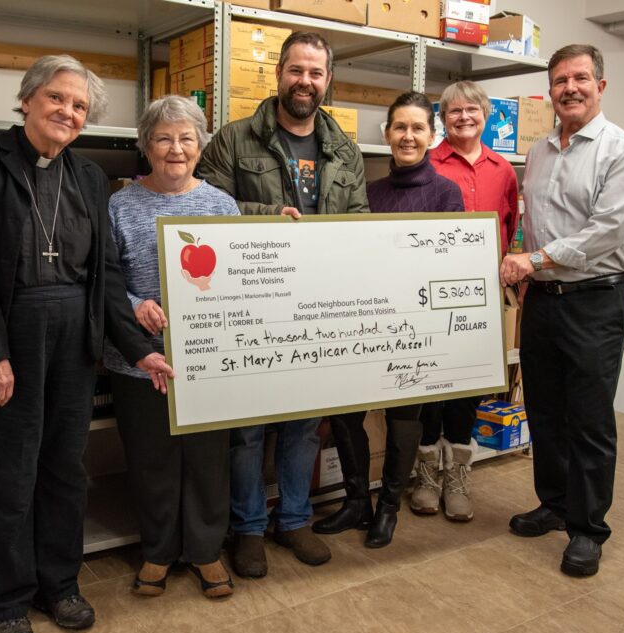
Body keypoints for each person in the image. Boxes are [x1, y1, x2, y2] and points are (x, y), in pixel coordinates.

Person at [0, 55, 174, 633]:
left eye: (79, 106)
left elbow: (109, 272)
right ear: (27, 100)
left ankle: (60, 583)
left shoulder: (91, 177)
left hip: (75, 335)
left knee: (65, 469)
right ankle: (8, 600)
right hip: (11, 330)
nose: (68, 112)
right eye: (57, 99)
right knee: (9, 471)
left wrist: (140, 349)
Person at [197, 31, 368, 577]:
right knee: (247, 427)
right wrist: (266, 216)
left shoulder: (344, 150)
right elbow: (205, 209)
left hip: (317, 303)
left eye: (316, 73)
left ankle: (292, 519)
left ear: (327, 80)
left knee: (303, 421)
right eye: (297, 70)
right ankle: (247, 527)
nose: (306, 82)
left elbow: (360, 221)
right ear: (279, 72)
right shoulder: (233, 139)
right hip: (251, 298)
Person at [501, 45, 624, 577]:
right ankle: (555, 504)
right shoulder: (540, 152)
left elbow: (603, 233)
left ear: (600, 86)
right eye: (560, 79)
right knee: (543, 409)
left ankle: (588, 529)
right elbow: (531, 219)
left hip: (596, 299)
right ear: (551, 90)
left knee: (588, 418)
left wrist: (531, 260)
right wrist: (526, 269)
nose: (570, 88)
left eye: (581, 78)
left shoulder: (623, 152)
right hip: (543, 299)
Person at [316, 91, 464, 548]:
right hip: (364, 324)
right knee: (345, 416)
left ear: (432, 136)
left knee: (403, 423)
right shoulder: (370, 192)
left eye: (418, 128)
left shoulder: (446, 193)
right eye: (400, 127)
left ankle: (388, 509)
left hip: (415, 331)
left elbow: (453, 264)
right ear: (386, 134)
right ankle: (358, 500)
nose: (408, 136)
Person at [106, 96, 239, 599]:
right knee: (151, 460)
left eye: (186, 138)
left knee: (208, 460)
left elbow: (239, 278)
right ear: (146, 146)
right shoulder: (120, 204)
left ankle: (206, 552)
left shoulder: (222, 205)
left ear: (200, 145)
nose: (175, 148)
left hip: (207, 357)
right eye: (163, 138)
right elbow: (103, 277)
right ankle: (158, 552)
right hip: (139, 358)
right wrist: (136, 302)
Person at [408, 81, 520, 522]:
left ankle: (457, 477)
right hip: (430, 294)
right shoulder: (428, 162)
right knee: (430, 386)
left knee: (468, 387)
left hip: (481, 296)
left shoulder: (503, 169)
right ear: (442, 118)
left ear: (487, 115)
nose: (463, 117)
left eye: (472, 110)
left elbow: (509, 228)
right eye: (453, 111)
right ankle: (427, 478)